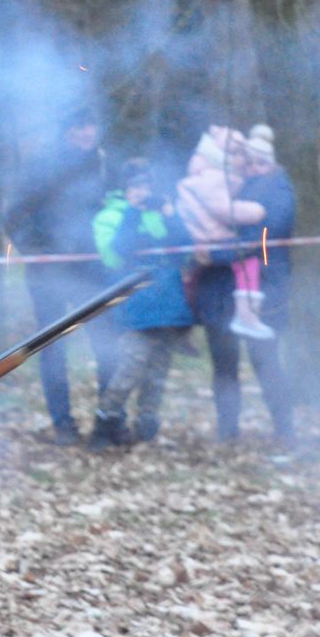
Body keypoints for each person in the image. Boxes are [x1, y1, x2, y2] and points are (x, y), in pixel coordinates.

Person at [5, 105, 118, 445]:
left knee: (107, 344)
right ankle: (63, 425)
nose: (88, 133)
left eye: (92, 125)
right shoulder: (41, 166)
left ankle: (107, 422)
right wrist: (36, 253)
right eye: (81, 126)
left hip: (92, 270)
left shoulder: (105, 166)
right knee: (53, 347)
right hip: (47, 272)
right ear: (67, 130)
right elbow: (14, 216)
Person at [88, 159, 194, 449]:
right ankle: (105, 421)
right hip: (135, 302)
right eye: (136, 185)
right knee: (131, 364)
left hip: (168, 300)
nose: (143, 190)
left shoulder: (159, 212)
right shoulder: (109, 217)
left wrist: (170, 214)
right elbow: (118, 253)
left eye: (147, 184)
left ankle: (147, 425)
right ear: (124, 188)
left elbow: (184, 247)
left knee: (159, 369)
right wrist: (133, 211)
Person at [203, 125, 297, 445]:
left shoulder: (280, 191)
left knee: (265, 362)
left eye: (259, 163)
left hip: (266, 288)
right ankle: (227, 430)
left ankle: (285, 429)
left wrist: (219, 251)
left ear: (269, 163)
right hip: (225, 288)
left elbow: (270, 234)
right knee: (224, 364)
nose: (252, 168)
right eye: (249, 162)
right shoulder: (234, 186)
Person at [176, 124, 272, 339]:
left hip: (208, 237)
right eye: (237, 154)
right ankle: (247, 316)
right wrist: (255, 210)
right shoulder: (212, 177)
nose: (242, 161)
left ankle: (184, 327)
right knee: (248, 262)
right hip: (214, 236)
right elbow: (223, 209)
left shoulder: (206, 174)